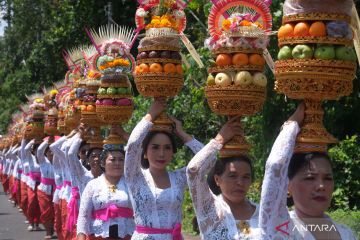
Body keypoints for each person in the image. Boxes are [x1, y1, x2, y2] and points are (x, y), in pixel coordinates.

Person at [259, 104, 357, 240]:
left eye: (328, 178)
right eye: (310, 178)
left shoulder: (346, 233)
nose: (321, 186)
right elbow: (275, 166)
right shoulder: (281, 227)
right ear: (287, 185)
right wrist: (292, 125)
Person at [124, 99, 204, 239]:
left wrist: (181, 133)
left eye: (167, 148)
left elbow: (207, 159)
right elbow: (132, 145)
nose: (161, 154)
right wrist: (150, 115)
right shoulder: (135, 176)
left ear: (173, 152)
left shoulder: (179, 178)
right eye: (155, 147)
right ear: (144, 152)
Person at [186, 116, 260, 239]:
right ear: (217, 179)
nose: (240, 182)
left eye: (246, 177)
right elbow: (193, 170)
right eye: (233, 176)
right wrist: (219, 140)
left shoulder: (262, 212)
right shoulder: (209, 208)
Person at [77, 143, 134, 240]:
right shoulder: (93, 185)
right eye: (112, 159)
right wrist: (81, 235)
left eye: (121, 160)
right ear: (103, 163)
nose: (117, 163)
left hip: (127, 234)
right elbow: (83, 215)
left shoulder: (132, 185)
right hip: (98, 235)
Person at [36, 137, 56, 239]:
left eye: (53, 152)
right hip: (43, 191)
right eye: (49, 152)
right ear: (46, 153)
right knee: (45, 212)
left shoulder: (60, 163)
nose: (51, 154)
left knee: (54, 213)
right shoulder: (43, 162)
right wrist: (47, 142)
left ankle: (52, 228)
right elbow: (39, 151)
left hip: (56, 192)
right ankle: (48, 232)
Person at [24, 139, 42, 231]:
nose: (38, 151)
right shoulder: (31, 158)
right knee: (31, 203)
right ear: (33, 151)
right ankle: (31, 222)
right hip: (32, 184)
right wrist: (32, 141)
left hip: (41, 185)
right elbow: (26, 149)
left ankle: (37, 223)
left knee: (39, 204)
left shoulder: (44, 159)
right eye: (36, 150)